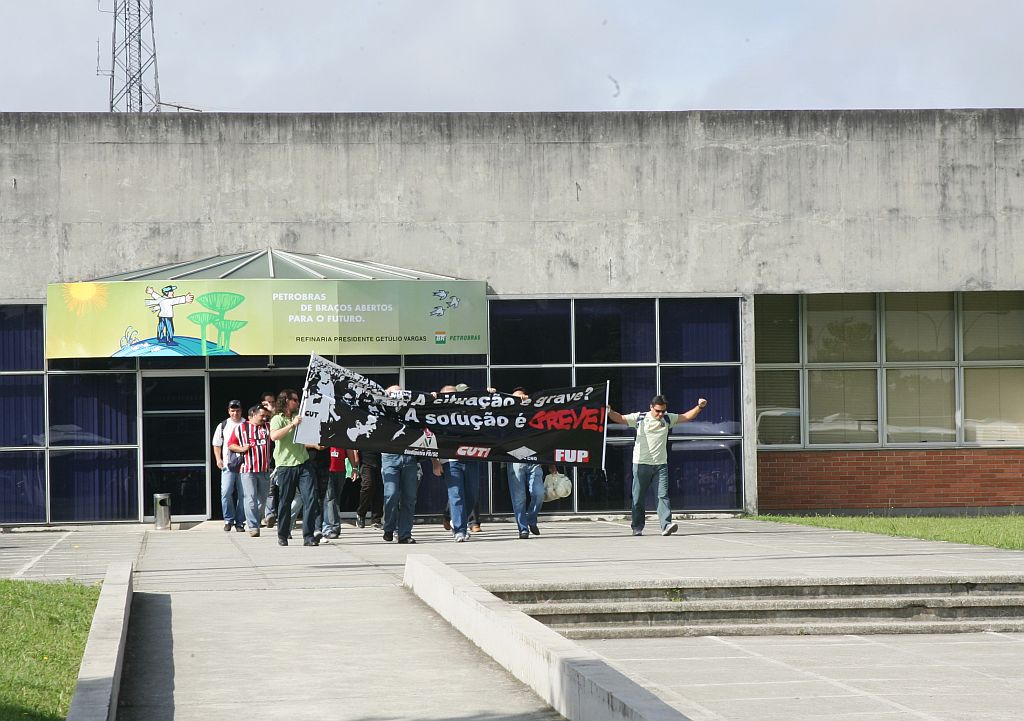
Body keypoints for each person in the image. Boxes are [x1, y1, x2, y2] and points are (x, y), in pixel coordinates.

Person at [607, 394, 708, 536]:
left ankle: (666, 525)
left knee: (662, 496)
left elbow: (686, 417)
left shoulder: (667, 418)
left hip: (660, 465)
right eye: (657, 411)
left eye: (663, 411)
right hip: (641, 464)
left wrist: (699, 407)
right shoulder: (640, 418)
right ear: (651, 407)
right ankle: (637, 527)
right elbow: (620, 418)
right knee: (638, 498)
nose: (660, 414)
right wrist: (609, 411)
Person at [268, 389, 321, 547]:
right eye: (295, 400)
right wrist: (292, 425)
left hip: (303, 462)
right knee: (285, 500)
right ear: (286, 401)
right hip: (285, 465)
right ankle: (283, 534)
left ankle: (308, 536)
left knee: (310, 498)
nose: (297, 403)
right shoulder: (278, 418)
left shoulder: (300, 416)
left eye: (298, 400)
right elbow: (274, 436)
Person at [506, 387, 556, 540]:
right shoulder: (506, 416)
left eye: (521, 397)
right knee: (519, 497)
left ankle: (531, 519)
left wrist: (551, 463)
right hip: (515, 458)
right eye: (515, 399)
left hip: (534, 459)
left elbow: (548, 435)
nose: (519, 401)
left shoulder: (535, 413)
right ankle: (523, 529)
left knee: (538, 493)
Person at [380, 385, 422, 544]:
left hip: (409, 456)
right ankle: (389, 527)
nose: (397, 397)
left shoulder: (410, 410)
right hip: (390, 456)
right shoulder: (382, 410)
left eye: (399, 394)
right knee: (391, 494)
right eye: (393, 394)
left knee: (409, 498)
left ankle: (404, 534)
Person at [228, 404, 272, 536]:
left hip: (264, 469)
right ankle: (253, 527)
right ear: (252, 415)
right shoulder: (241, 428)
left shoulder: (268, 427)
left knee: (262, 500)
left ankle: (256, 522)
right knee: (250, 498)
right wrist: (242, 449)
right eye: (261, 416)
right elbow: (231, 444)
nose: (264, 418)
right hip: (248, 469)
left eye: (266, 416)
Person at [212, 400, 246, 532]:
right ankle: (228, 519)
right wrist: (218, 459)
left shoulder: (247, 424)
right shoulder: (223, 425)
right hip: (228, 465)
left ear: (241, 411)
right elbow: (217, 444)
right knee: (226, 493)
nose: (235, 413)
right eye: (232, 411)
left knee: (243, 495)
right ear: (228, 411)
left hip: (244, 465)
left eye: (237, 411)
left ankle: (240, 522)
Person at [354, 448, 384, 529]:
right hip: (365, 461)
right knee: (368, 486)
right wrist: (355, 458)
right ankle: (361, 514)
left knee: (379, 490)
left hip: (381, 460)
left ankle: (376, 519)